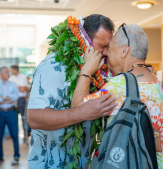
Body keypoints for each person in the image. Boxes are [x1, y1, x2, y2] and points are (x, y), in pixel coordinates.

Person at [71, 24, 163, 169]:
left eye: (109, 48)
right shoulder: (155, 81)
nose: (105, 53)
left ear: (124, 50)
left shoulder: (120, 85)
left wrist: (86, 70)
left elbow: (78, 108)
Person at [27, 14, 117, 169]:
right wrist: (82, 112)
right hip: (51, 163)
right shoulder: (53, 65)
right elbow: (34, 118)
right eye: (102, 47)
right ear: (84, 40)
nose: (106, 53)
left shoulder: (94, 69)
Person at [0, 66, 19, 166]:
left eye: (8, 72)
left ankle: (16, 156)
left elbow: (16, 97)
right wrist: (8, 99)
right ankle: (0, 157)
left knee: (15, 135)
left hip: (11, 112)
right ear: (0, 74)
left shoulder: (13, 84)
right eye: (6, 72)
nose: (8, 74)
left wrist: (2, 98)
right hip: (0, 113)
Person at [9, 65, 29, 138]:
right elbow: (10, 89)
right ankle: (14, 134)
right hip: (13, 100)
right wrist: (18, 87)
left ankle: (25, 135)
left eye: (11, 70)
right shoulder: (11, 78)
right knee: (14, 118)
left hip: (21, 99)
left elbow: (23, 89)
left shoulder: (23, 77)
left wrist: (14, 87)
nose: (11, 72)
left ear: (16, 69)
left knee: (23, 117)